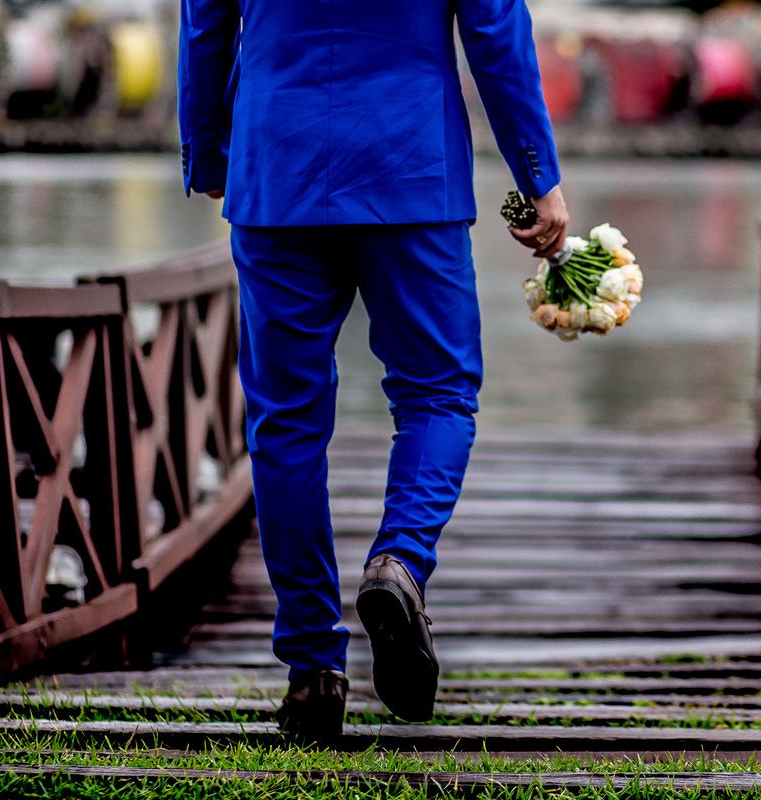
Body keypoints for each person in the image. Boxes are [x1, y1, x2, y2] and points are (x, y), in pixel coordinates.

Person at [179, 0, 568, 741]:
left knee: (285, 425)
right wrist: (538, 174)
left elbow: (204, 21)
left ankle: (313, 673)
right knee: (439, 395)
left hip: (277, 169)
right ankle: (398, 563)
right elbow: (494, 28)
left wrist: (208, 152)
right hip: (409, 164)